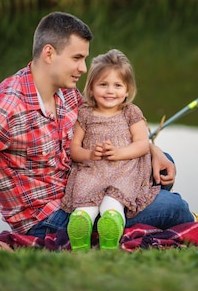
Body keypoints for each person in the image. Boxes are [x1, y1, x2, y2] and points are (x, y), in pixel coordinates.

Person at [0, 11, 194, 252]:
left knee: (163, 164)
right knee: (174, 208)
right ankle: (141, 217)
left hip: (83, 184)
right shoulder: (4, 109)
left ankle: (126, 212)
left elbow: (104, 126)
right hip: (49, 217)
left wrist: (151, 149)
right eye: (77, 58)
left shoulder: (66, 92)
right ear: (49, 54)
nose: (83, 68)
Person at [61, 49, 160, 251]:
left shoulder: (131, 112)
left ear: (127, 90)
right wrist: (89, 154)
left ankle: (110, 233)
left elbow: (142, 144)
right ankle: (80, 228)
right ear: (91, 87)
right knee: (85, 204)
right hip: (92, 170)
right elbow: (74, 149)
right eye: (103, 84)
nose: (110, 91)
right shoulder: (85, 113)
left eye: (117, 85)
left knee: (112, 204)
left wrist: (118, 153)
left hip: (123, 169)